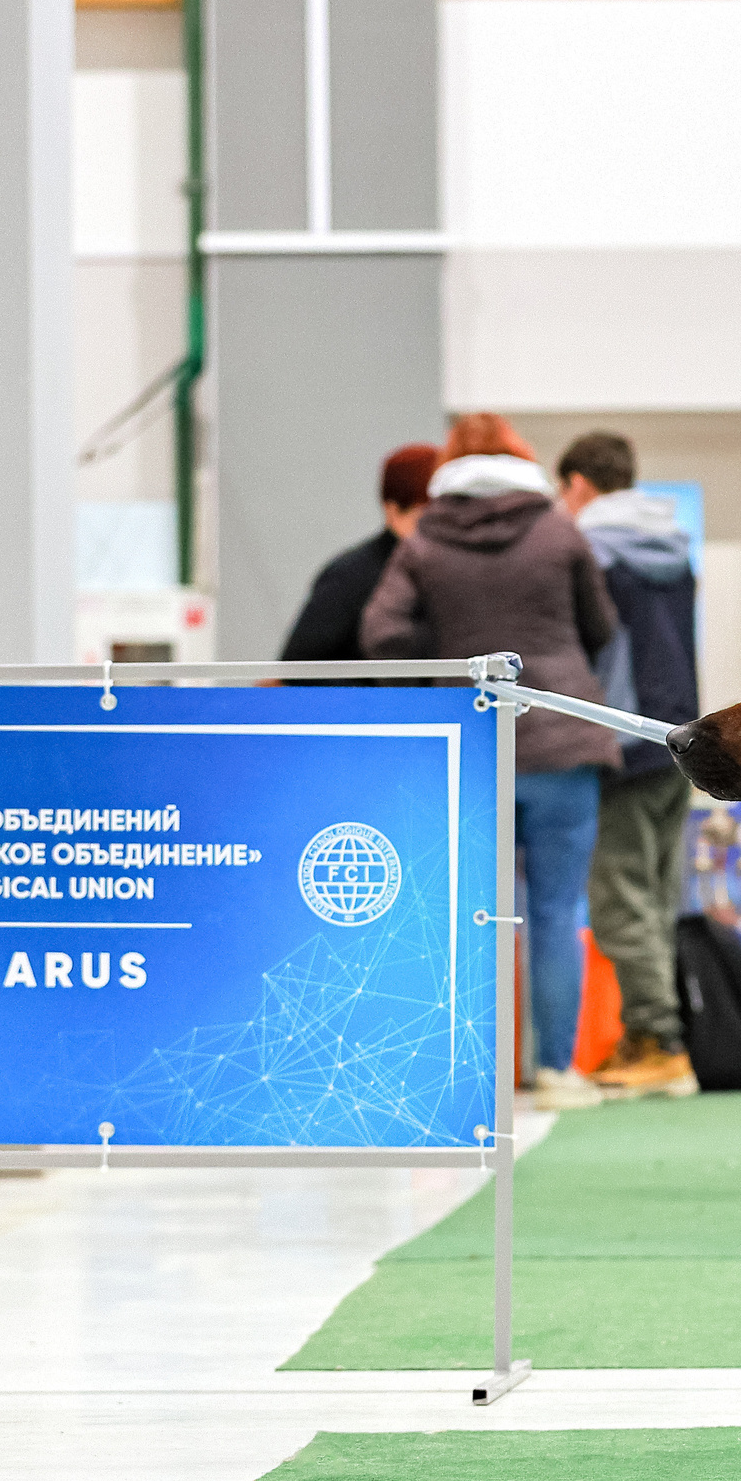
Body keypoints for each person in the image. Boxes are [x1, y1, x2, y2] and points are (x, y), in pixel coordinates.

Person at [361, 413, 618, 1110]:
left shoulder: (424, 542)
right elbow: (602, 626)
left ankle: (473, 1077)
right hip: (562, 738)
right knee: (557, 909)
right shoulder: (558, 531)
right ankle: (559, 1073)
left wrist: (435, 696)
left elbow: (381, 631)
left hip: (471, 745)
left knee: (474, 913)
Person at [555, 431, 701, 1100]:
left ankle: (660, 1042)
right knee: (658, 899)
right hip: (683, 734)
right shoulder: (674, 545)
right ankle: (656, 1037)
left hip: (621, 735)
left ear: (580, 484)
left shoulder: (592, 553)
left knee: (618, 902)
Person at [278, 445, 437, 667]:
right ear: (392, 511)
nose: (438, 526)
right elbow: (300, 664)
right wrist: (371, 691)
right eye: (425, 516)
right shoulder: (349, 576)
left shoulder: (448, 570)